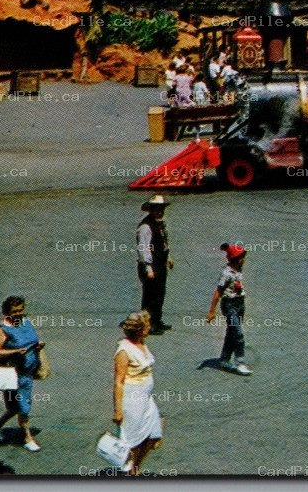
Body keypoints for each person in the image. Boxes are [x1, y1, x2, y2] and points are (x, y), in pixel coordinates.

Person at [0, 296, 43, 452]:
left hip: (27, 372)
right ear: (6, 312)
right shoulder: (1, 329)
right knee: (22, 407)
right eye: (14, 311)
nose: (18, 313)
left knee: (14, 407)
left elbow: (30, 340)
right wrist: (14, 351)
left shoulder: (25, 322)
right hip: (12, 375)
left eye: (21, 310)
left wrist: (37, 346)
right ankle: (27, 437)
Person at [112, 311, 163, 476]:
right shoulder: (124, 350)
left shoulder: (142, 343)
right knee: (133, 439)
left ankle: (135, 468)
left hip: (146, 397)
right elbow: (119, 381)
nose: (150, 328)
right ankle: (130, 471)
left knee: (154, 434)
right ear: (139, 329)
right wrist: (118, 410)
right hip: (132, 398)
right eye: (147, 326)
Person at [206, 243, 252, 375]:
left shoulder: (238, 269)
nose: (244, 260)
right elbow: (218, 292)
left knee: (232, 332)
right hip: (229, 305)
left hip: (239, 303)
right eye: (242, 258)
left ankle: (224, 359)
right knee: (238, 334)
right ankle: (240, 362)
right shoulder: (226, 273)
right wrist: (212, 311)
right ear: (236, 259)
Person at [136, 195, 173, 333]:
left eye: (161, 208)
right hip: (151, 266)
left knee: (159, 293)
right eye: (157, 209)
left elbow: (163, 243)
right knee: (150, 295)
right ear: (151, 210)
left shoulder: (159, 225)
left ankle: (156, 320)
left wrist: (168, 257)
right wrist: (148, 268)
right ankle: (148, 324)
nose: (160, 211)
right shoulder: (145, 227)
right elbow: (143, 248)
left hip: (160, 263)